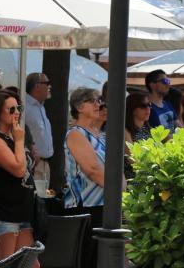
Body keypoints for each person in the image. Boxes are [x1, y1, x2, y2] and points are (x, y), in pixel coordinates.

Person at [0, 90, 37, 266]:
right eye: (11, 109)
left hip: (23, 212)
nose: (17, 112)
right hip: (4, 213)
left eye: (19, 108)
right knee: (6, 264)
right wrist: (19, 141)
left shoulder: (12, 136)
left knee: (30, 264)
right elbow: (18, 169)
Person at [64, 87, 107, 268]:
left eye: (99, 100)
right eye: (94, 101)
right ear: (79, 107)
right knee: (87, 259)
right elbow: (92, 169)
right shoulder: (76, 133)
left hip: (104, 205)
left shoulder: (102, 136)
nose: (99, 104)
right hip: (84, 207)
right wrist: (119, 190)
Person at [24, 72, 53, 181]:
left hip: (45, 163)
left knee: (43, 196)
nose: (50, 86)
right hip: (33, 164)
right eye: (47, 83)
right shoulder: (24, 106)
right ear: (37, 86)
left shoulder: (40, 106)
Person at [124, 92, 152, 179]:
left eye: (149, 105)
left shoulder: (148, 129)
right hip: (135, 179)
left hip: (150, 175)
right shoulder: (125, 131)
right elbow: (132, 160)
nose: (148, 109)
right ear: (132, 109)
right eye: (143, 106)